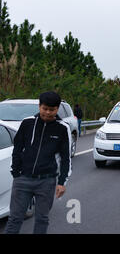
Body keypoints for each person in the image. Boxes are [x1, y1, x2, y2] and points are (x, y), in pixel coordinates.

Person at [5, 91, 72, 234]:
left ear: (58, 108)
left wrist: (62, 182)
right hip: (23, 179)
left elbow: (66, 158)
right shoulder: (27, 123)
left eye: (52, 110)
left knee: (42, 219)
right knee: (15, 218)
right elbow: (17, 148)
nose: (48, 113)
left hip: (46, 182)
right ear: (39, 106)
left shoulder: (62, 128)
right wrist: (16, 172)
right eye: (45, 109)